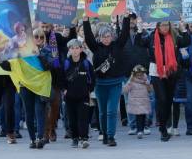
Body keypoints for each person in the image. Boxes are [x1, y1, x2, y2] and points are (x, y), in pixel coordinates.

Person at [83, 13, 131, 147]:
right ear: (100, 37)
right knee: (102, 112)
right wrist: (86, 21)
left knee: (111, 111)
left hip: (115, 83)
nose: (106, 38)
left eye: (108, 36)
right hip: (100, 84)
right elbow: (88, 37)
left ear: (111, 36)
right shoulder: (96, 47)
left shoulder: (117, 45)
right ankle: (104, 134)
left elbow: (125, 34)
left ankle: (110, 136)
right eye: (103, 36)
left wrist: (126, 18)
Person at [1, 27, 53, 149]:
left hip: (40, 86)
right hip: (25, 85)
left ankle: (40, 138)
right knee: (29, 113)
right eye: (36, 36)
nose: (38, 39)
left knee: (39, 112)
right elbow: (10, 66)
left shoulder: (46, 50)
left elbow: (50, 66)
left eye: (41, 37)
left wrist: (39, 55)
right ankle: (32, 139)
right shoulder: (21, 52)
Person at [143, 20, 191, 141]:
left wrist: (183, 28)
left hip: (171, 71)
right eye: (162, 25)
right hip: (156, 71)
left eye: (167, 25)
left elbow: (186, 42)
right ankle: (163, 128)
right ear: (158, 26)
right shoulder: (151, 37)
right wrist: (139, 29)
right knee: (162, 99)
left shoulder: (174, 37)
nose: (165, 27)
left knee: (169, 100)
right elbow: (139, 42)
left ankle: (164, 125)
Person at [42, 22, 74, 142]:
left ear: (51, 27)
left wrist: (72, 27)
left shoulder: (57, 37)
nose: (45, 29)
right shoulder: (35, 38)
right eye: (43, 27)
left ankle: (52, 128)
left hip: (55, 77)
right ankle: (45, 131)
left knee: (55, 106)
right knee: (43, 107)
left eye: (47, 27)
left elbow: (68, 45)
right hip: (40, 78)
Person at [63, 39, 94, 148]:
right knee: (72, 119)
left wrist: (89, 90)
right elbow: (61, 78)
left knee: (83, 118)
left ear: (81, 49)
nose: (75, 50)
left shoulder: (86, 63)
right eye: (72, 48)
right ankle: (75, 138)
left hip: (83, 96)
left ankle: (84, 138)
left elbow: (92, 78)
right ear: (69, 50)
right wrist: (64, 89)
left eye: (77, 48)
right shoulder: (66, 63)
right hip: (70, 97)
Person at [123, 64, 153, 139]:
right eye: (138, 75)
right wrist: (129, 80)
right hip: (135, 102)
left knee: (143, 116)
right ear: (134, 74)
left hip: (144, 101)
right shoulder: (132, 81)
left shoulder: (146, 80)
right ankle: (139, 131)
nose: (140, 76)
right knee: (139, 116)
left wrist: (148, 84)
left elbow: (150, 91)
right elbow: (125, 90)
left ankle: (142, 129)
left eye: (141, 74)